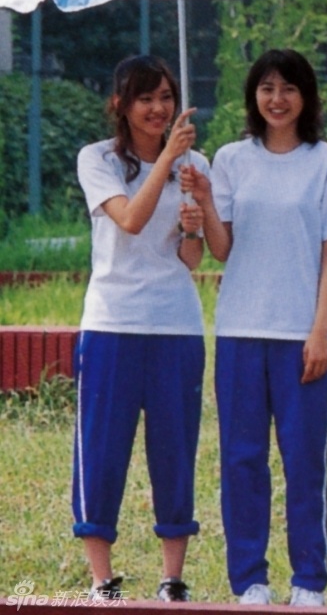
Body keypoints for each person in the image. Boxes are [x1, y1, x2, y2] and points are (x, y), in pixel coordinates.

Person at [180, 49, 327, 606]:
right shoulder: (231, 159)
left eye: (289, 88)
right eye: (266, 88)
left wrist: (319, 331)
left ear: (307, 96)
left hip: (302, 336)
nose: (277, 99)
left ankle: (308, 581)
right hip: (240, 331)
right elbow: (223, 248)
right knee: (241, 459)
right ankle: (249, 580)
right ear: (253, 96)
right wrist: (204, 203)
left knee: (304, 461)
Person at [72, 54, 209, 603]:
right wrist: (167, 159)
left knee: (174, 450)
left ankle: (172, 577)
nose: (158, 108)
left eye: (166, 97)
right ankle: (102, 579)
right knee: (102, 449)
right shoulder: (97, 159)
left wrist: (193, 227)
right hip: (112, 323)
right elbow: (129, 220)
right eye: (145, 98)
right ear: (121, 105)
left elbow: (192, 260)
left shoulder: (194, 164)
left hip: (177, 326)